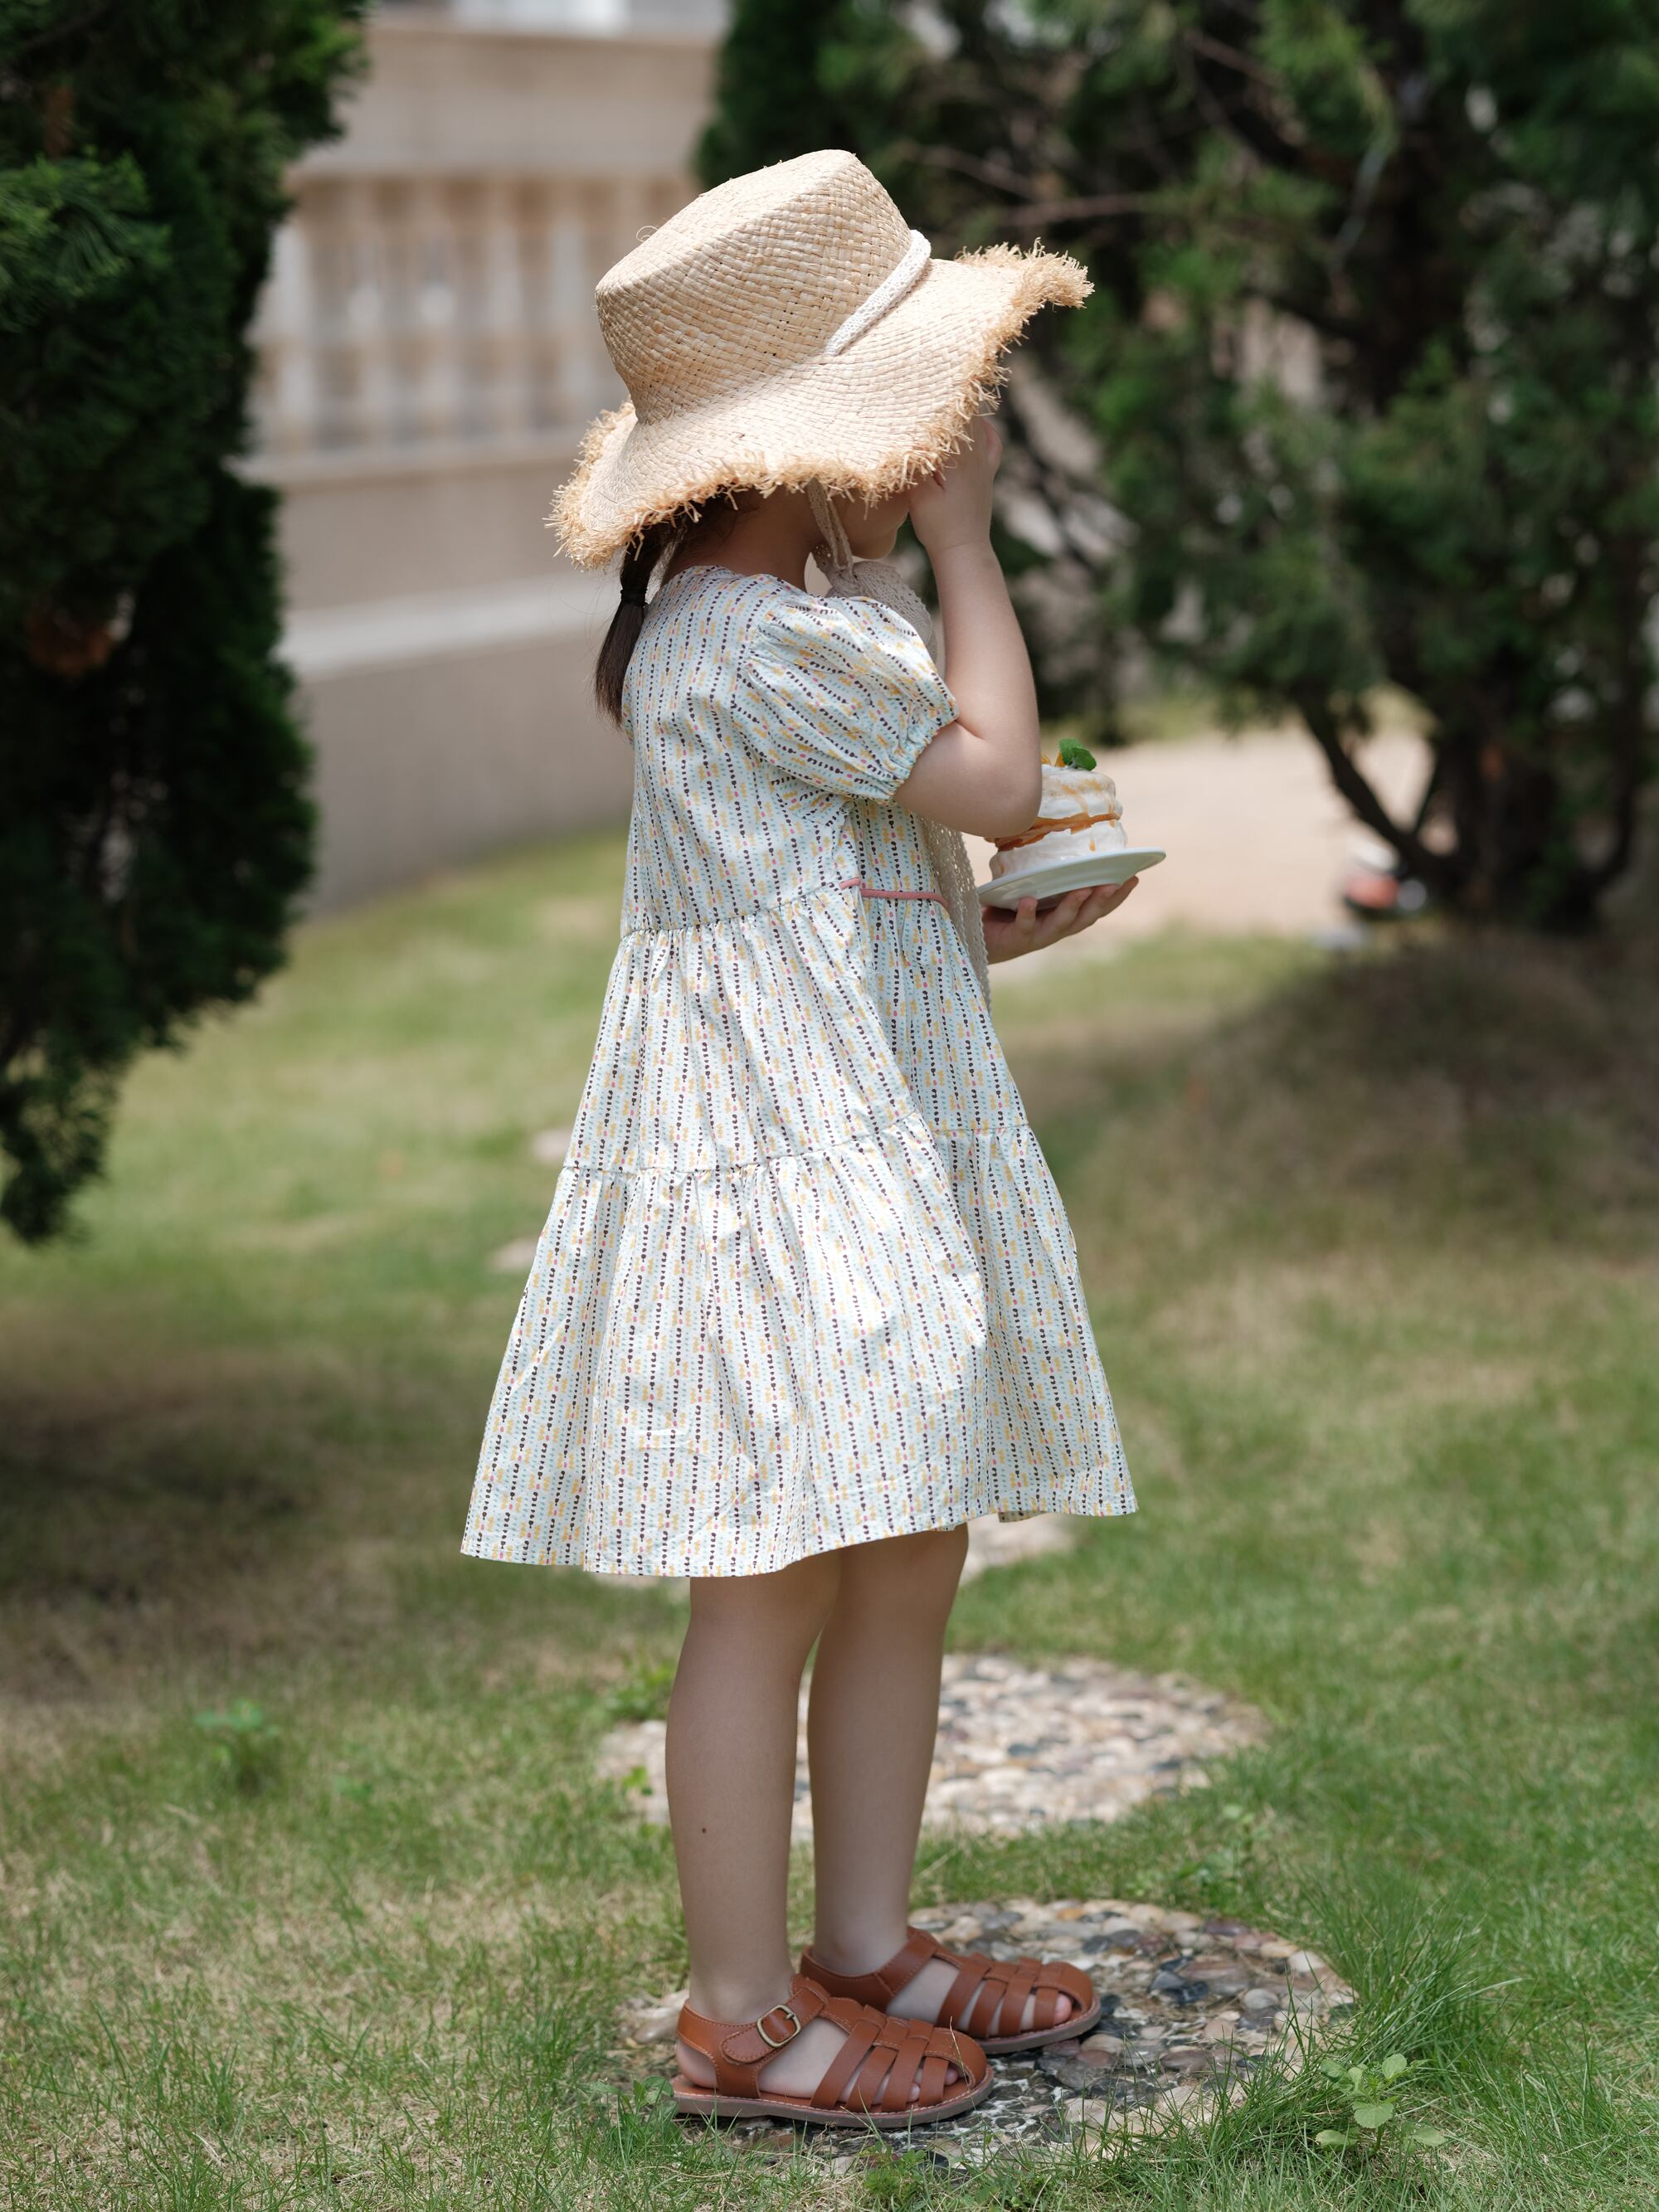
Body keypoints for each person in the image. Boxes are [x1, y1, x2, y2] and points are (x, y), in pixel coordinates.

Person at [462, 151, 1138, 2131]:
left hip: (839, 1127)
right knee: (767, 1573)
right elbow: (996, 775)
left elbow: (829, 909)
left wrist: (982, 932)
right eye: (930, 422)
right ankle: (742, 2018)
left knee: (905, 1533)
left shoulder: (756, 624)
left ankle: (862, 1940)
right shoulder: (767, 636)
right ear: (834, 443)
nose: (945, 451)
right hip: (789, 1172)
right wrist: (976, 549)